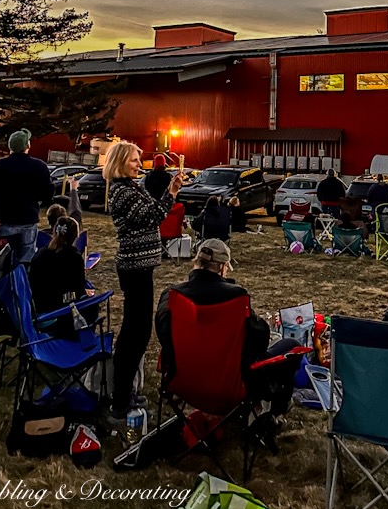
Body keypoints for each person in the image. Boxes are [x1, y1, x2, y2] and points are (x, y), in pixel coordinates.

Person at [155, 238, 301, 419]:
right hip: (229, 386)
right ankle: (275, 412)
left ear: (196, 262)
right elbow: (260, 340)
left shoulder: (172, 296)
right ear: (223, 267)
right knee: (292, 345)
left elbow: (164, 335)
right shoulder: (235, 297)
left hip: (182, 382)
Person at [106, 140, 182, 423]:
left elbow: (153, 212)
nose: (140, 164)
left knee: (139, 332)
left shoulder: (132, 187)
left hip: (142, 266)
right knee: (133, 333)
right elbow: (153, 216)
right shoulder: (123, 191)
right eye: (135, 160)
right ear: (120, 162)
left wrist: (168, 193)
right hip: (134, 268)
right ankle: (120, 400)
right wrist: (172, 192)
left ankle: (126, 392)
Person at [0, 128, 53, 264]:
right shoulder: (39, 167)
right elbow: (48, 193)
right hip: (28, 221)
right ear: (28, 146)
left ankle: (3, 284)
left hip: (4, 222)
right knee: (25, 262)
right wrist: (36, 200)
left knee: (2, 261)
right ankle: (20, 283)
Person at [29, 215, 88, 334]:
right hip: (59, 313)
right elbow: (79, 289)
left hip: (38, 309)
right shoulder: (74, 258)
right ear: (75, 237)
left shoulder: (40, 254)